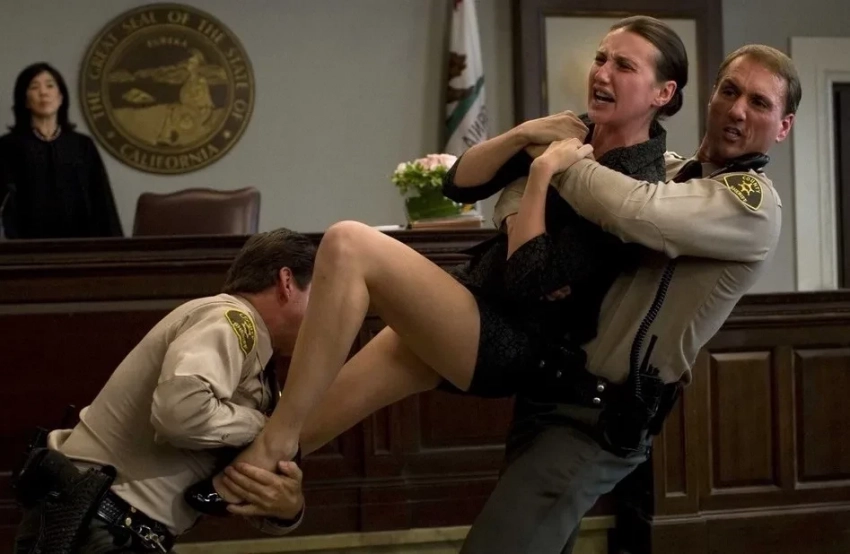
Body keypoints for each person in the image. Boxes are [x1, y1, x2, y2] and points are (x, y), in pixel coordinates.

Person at [186, 15, 690, 525]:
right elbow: (460, 183)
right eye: (601, 58)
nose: (601, 72)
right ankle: (244, 489)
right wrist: (524, 134)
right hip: (476, 303)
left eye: (624, 66)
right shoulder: (573, 131)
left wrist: (539, 175)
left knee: (348, 243)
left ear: (662, 93)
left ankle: (266, 449)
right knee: (297, 432)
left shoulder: (638, 183)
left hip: (518, 342)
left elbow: (528, 280)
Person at [451, 43, 797, 553]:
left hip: (596, 418)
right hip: (549, 390)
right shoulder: (666, 169)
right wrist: (524, 221)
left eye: (760, 103)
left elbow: (635, 211)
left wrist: (555, 160)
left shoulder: (752, 204)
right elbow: (518, 190)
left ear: (783, 126)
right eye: (729, 91)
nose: (738, 110)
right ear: (711, 96)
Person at [13, 228, 315, 554]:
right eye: (319, 294)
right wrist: (263, 426)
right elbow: (180, 414)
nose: (325, 315)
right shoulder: (232, 318)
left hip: (110, 526)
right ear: (286, 282)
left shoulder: (259, 358)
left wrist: (289, 508)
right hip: (97, 525)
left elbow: (240, 477)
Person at [0, 62, 122, 239]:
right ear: (25, 100)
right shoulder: (8, 146)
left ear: (61, 97)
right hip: (26, 247)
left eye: (50, 86)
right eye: (34, 87)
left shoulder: (82, 146)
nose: (43, 92)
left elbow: (102, 203)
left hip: (80, 245)